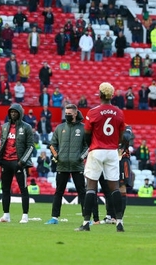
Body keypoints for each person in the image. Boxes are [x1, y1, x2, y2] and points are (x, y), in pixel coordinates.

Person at [77, 82, 126, 233]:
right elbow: (122, 134)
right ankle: (119, 222)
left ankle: (86, 223)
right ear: (112, 95)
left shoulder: (93, 112)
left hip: (97, 150)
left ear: (99, 94)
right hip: (112, 151)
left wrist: (91, 145)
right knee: (114, 188)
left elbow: (86, 134)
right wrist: (114, 144)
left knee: (91, 187)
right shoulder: (118, 112)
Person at [46, 104, 89, 225]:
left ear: (75, 114)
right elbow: (52, 144)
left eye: (69, 114)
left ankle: (86, 219)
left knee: (82, 192)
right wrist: (56, 156)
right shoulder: (60, 128)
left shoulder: (83, 128)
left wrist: (81, 158)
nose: (67, 115)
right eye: (66, 113)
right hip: (62, 165)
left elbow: (87, 146)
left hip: (77, 165)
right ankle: (54, 217)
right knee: (58, 192)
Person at [0, 103, 34, 224]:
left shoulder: (26, 127)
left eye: (15, 112)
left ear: (20, 113)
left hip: (19, 162)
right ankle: (6, 215)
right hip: (6, 162)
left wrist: (22, 162)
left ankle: (25, 216)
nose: (13, 114)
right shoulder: (5, 126)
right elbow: (2, 144)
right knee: (5, 189)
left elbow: (31, 147)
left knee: (23, 189)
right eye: (11, 112)